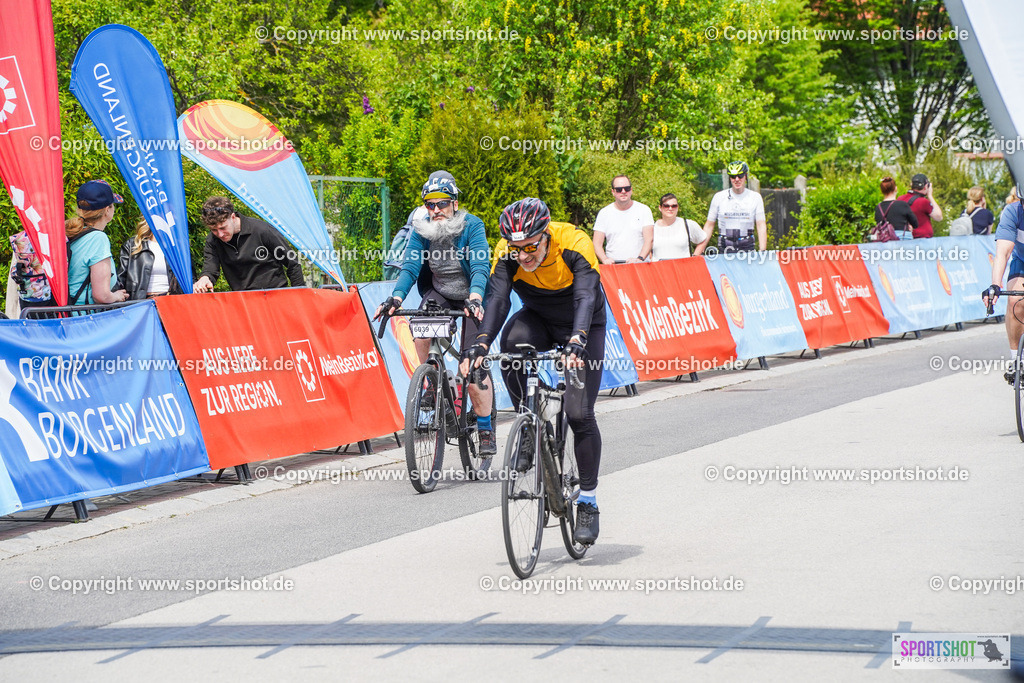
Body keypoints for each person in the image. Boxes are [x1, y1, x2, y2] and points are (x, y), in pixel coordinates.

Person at [460, 198, 605, 546]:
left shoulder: (573, 242)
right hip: (539, 317)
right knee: (510, 347)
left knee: (578, 414)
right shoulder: (507, 252)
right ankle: (532, 421)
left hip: (583, 323)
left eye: (530, 247)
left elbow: (585, 296)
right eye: (516, 249)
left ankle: (587, 501)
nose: (523, 256)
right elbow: (497, 299)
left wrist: (578, 338)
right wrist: (480, 344)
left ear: (546, 235)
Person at [374, 171, 496, 456]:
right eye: (430, 204)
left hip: (471, 295)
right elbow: (410, 268)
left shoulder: (472, 226)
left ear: (454, 203)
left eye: (442, 203)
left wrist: (476, 298)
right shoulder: (421, 230)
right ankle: (430, 379)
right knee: (421, 324)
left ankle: (486, 428)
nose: (436, 210)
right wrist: (396, 297)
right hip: (440, 292)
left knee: (474, 363)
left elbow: (480, 267)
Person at [193, 197, 304, 292]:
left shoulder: (263, 230)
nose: (220, 234)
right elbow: (211, 267)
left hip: (274, 297)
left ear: (232, 217)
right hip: (243, 302)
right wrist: (205, 278)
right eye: (214, 230)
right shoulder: (213, 240)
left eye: (223, 228)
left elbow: (293, 263)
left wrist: (299, 297)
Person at [983, 185, 1024, 384]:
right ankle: (1017, 360)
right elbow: (1003, 252)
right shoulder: (1012, 212)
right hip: (1022, 262)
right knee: (1016, 300)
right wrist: (995, 286)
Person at [66, 180, 130, 306]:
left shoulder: (72, 231)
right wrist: (117, 296)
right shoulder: (97, 239)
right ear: (107, 210)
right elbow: (102, 296)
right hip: (86, 316)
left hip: (67, 313)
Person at [695, 161, 767, 254]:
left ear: (745, 176)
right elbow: (709, 225)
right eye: (733, 176)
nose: (737, 179)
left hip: (747, 248)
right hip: (725, 247)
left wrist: (763, 252)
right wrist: (697, 253)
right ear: (730, 178)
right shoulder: (719, 197)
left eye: (740, 176)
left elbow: (761, 225)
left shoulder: (755, 197)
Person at [592, 175, 654, 264]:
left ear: (631, 190)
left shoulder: (644, 210)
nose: (623, 191)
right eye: (619, 189)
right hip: (614, 268)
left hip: (640, 265)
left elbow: (649, 240)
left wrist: (640, 259)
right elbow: (596, 243)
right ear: (613, 192)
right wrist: (604, 259)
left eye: (627, 188)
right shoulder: (604, 213)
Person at [116, 219, 182, 299]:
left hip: (169, 302)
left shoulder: (178, 247)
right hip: (141, 303)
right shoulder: (132, 245)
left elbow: (190, 279)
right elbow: (120, 280)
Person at [651, 193, 704, 260]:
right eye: (666, 206)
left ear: (677, 208)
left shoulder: (688, 224)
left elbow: (703, 240)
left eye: (674, 206)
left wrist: (694, 258)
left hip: (683, 269)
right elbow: (645, 247)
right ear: (660, 208)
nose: (670, 208)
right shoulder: (652, 227)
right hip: (658, 269)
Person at [897, 173, 943, 239]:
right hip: (922, 240)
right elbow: (939, 217)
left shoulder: (900, 199)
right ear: (926, 186)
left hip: (906, 238)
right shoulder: (923, 202)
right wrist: (930, 196)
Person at [875, 177, 918, 241]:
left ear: (882, 190)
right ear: (896, 189)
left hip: (885, 239)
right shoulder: (902, 205)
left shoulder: (878, 207)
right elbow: (915, 224)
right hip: (902, 239)